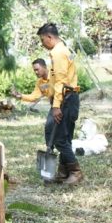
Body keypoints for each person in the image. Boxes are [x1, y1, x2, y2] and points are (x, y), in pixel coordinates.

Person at [37, 23, 83, 185]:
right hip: (67, 98)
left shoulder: (58, 53)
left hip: (65, 99)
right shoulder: (62, 51)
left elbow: (62, 82)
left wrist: (56, 105)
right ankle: (64, 171)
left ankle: (75, 172)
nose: (42, 43)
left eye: (43, 40)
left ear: (49, 37)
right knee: (63, 137)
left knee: (59, 138)